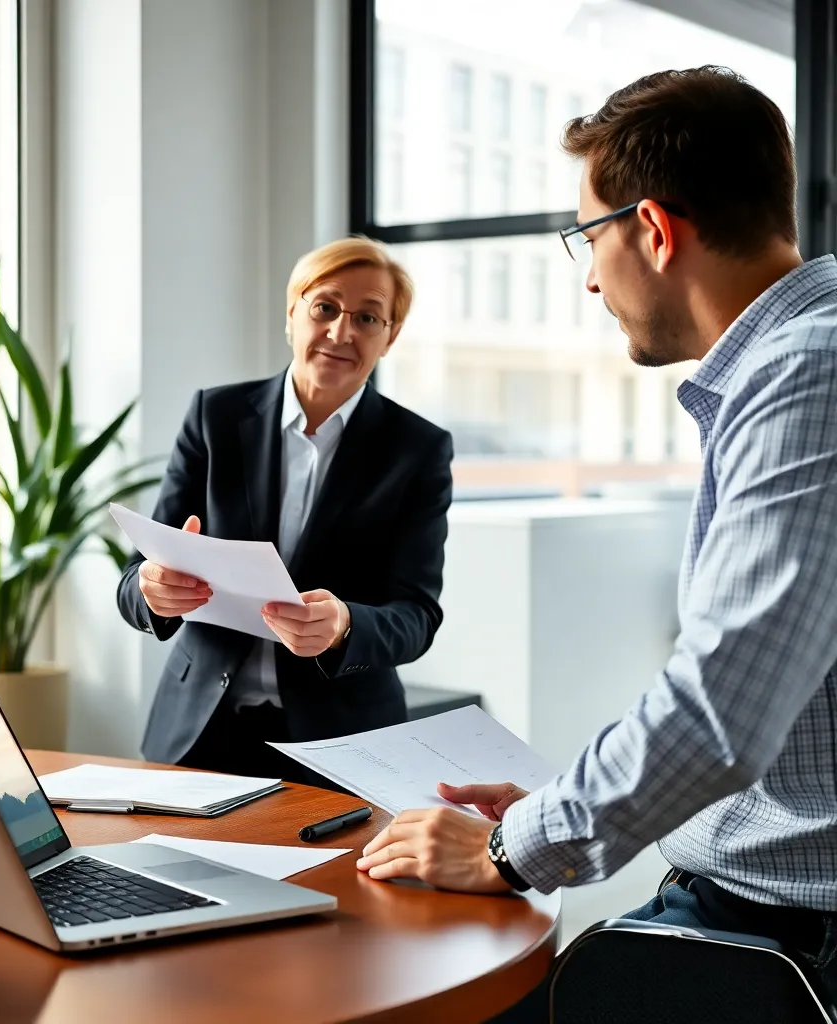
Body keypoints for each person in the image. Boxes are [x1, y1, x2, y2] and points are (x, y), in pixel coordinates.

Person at [356, 66, 837, 1018]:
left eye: (587, 236)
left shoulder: (806, 376)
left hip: (780, 944)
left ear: (654, 231)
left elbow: (721, 715)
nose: (585, 274)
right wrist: (545, 803)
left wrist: (510, 848)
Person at [116, 237, 454, 783]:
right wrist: (154, 591)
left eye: (368, 317)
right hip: (200, 732)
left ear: (389, 337)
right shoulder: (215, 416)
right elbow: (134, 580)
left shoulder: (418, 449)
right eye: (325, 307)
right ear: (292, 312)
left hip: (341, 744)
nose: (342, 332)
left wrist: (346, 623)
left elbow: (417, 615)